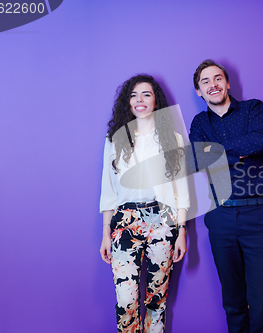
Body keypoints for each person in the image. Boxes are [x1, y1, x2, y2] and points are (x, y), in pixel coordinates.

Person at [189, 60, 263, 333]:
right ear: (199, 92)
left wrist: (216, 152)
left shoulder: (253, 108)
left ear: (227, 83)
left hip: (258, 216)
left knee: (262, 305)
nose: (212, 84)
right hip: (220, 217)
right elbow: (196, 159)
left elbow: (258, 140)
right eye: (205, 81)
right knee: (233, 304)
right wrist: (235, 151)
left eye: (217, 78)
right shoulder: (199, 122)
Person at [99, 74, 189, 333]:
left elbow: (180, 187)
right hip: (124, 222)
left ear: (156, 101)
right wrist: (106, 232)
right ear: (127, 102)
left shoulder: (173, 139)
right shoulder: (114, 139)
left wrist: (182, 231)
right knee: (126, 302)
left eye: (146, 94)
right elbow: (108, 188)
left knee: (156, 300)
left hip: (163, 221)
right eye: (134, 95)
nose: (139, 100)